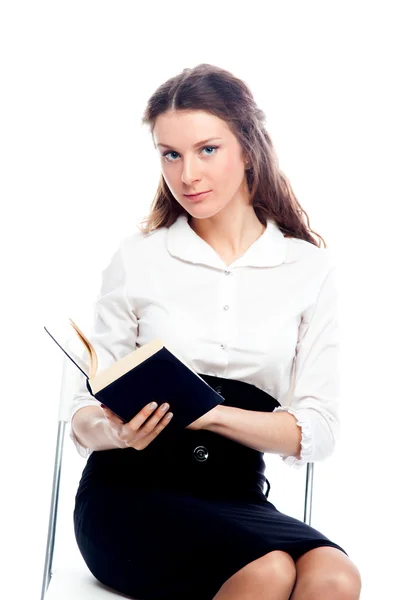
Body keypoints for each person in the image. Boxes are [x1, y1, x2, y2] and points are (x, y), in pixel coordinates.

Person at [70, 63, 362, 600]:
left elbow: (317, 429)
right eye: (171, 154)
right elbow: (80, 415)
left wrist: (212, 415)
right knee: (270, 570)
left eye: (207, 150)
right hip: (132, 490)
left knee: (336, 576)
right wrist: (115, 433)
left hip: (236, 496)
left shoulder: (307, 270)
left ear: (248, 148)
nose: (188, 176)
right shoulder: (139, 258)